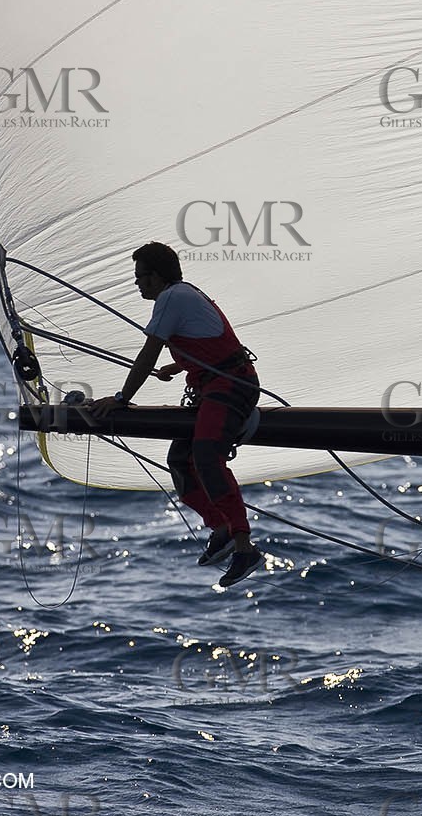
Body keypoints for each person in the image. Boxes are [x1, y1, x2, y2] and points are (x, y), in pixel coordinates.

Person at [87, 242, 264, 587]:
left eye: (140, 276)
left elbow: (148, 352)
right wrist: (179, 365)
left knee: (207, 457)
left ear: (157, 276)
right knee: (180, 460)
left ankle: (245, 547)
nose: (137, 283)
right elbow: (205, 339)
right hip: (213, 386)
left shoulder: (172, 297)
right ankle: (221, 528)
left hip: (232, 386)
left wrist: (122, 398)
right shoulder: (181, 296)